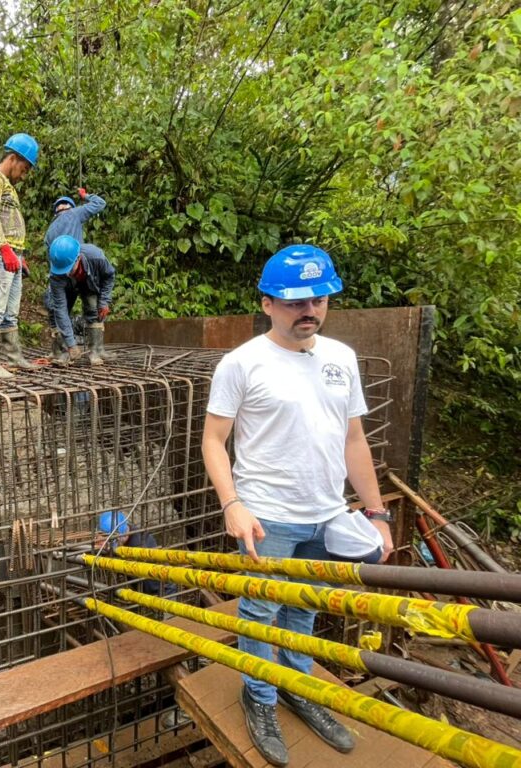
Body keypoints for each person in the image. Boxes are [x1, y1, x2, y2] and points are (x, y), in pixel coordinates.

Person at [201, 244, 393, 767]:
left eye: (319, 300)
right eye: (295, 302)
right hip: (267, 516)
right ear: (267, 303)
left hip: (327, 514)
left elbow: (354, 440)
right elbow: (214, 440)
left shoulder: (341, 359)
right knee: (261, 609)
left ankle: (297, 687)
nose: (309, 310)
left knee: (306, 605)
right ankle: (260, 696)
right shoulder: (242, 363)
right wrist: (232, 504)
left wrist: (376, 514)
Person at [0, 132, 40, 379]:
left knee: (10, 312)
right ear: (13, 158)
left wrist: (18, 256)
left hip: (13, 255)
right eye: (24, 169)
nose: (24, 175)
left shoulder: (8, 186)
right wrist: (4, 248)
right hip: (0, 252)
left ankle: (14, 358)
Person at [44, 235, 115, 365]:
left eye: (69, 269)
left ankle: (95, 351)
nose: (66, 273)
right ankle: (62, 351)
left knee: (94, 309)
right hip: (66, 286)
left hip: (89, 282)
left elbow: (109, 277)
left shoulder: (96, 257)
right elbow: (60, 309)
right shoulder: (57, 272)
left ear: (78, 258)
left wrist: (104, 301)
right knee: (54, 310)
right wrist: (72, 344)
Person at [95, 511, 178, 601]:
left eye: (107, 538)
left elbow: (122, 563)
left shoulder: (139, 545)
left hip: (163, 590)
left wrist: (107, 548)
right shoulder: (125, 529)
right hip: (144, 588)